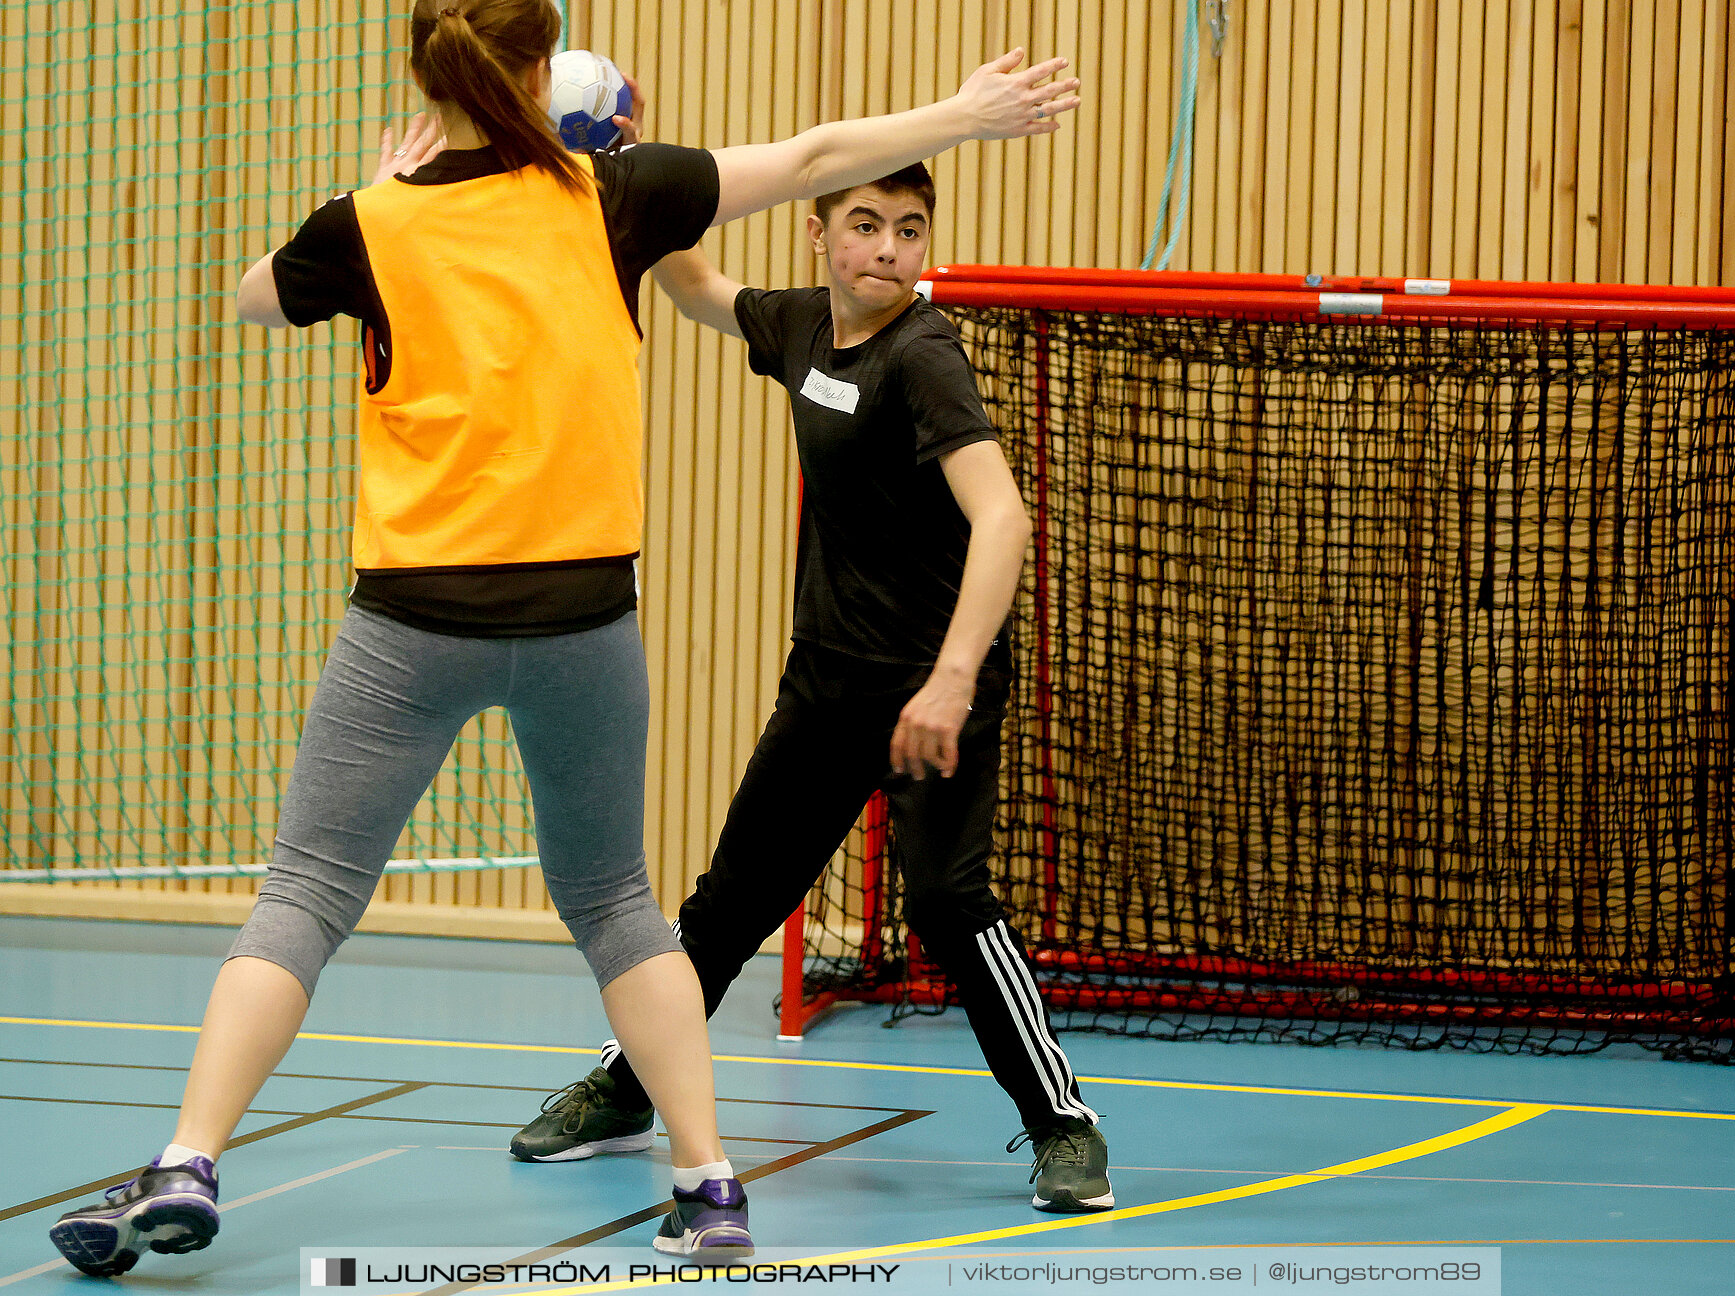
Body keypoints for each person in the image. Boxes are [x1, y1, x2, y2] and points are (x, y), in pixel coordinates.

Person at [47, 0, 1079, 1276]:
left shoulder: (372, 225)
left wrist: (378, 200)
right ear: (541, 74)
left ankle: (192, 1157)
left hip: (415, 618)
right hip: (585, 619)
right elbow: (811, 159)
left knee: (306, 897)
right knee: (619, 903)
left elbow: (258, 298)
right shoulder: (618, 194)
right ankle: (708, 1185)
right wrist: (965, 117)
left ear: (431, 83)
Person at [509, 160, 1113, 1215]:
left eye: (909, 230)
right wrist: (628, 173)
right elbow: (692, 283)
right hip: (828, 685)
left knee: (946, 903)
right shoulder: (797, 329)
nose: (887, 250)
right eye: (866, 225)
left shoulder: (923, 355)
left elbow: (1004, 520)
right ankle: (628, 1088)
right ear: (818, 233)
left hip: (939, 689)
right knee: (729, 900)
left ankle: (1062, 1122)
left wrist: (952, 681)